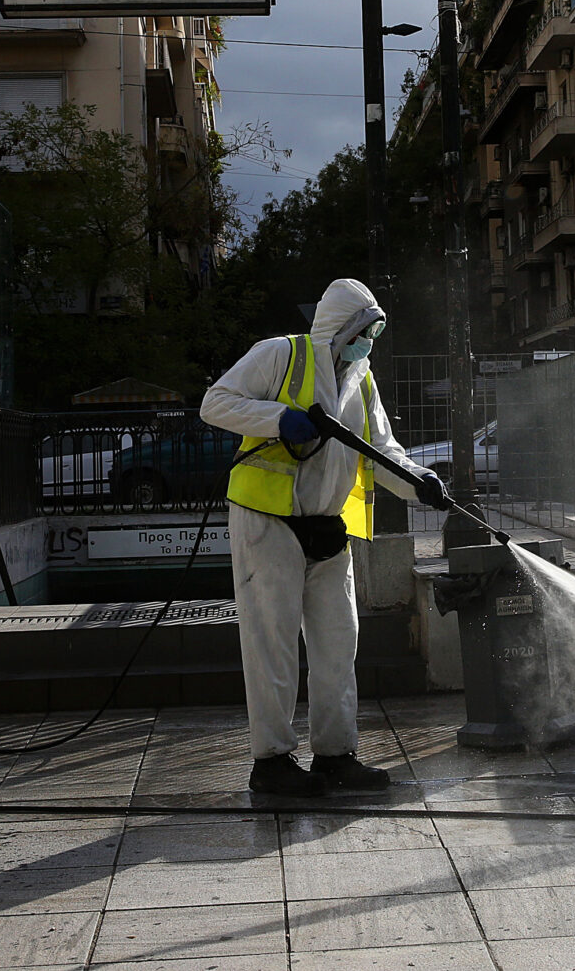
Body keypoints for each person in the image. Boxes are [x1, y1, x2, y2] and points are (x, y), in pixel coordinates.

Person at [200, 278, 447, 798]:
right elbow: (215, 403)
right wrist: (276, 419)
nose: (368, 342)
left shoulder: (362, 380)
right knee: (272, 642)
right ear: (338, 327)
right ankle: (272, 763)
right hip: (267, 522)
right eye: (363, 330)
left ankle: (336, 755)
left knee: (339, 642)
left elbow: (382, 451)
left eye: (375, 332)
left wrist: (418, 483)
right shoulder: (279, 356)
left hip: (327, 525)